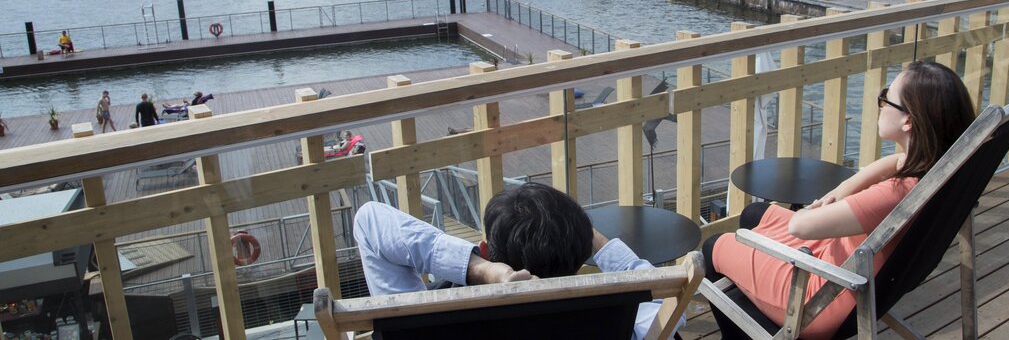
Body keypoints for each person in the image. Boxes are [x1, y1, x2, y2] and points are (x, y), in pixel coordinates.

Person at [704, 61, 975, 339]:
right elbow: (897, 160)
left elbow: (800, 226)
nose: (881, 105)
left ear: (908, 121)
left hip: (819, 299)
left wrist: (818, 207)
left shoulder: (893, 193)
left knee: (714, 246)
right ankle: (756, 295)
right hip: (849, 267)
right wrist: (845, 188)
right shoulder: (938, 174)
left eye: (886, 99)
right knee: (755, 214)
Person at [354, 182, 679, 340]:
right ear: (583, 254)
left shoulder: (427, 323)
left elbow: (370, 220)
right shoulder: (613, 316)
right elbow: (669, 311)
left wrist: (477, 268)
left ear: (485, 249)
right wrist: (602, 244)